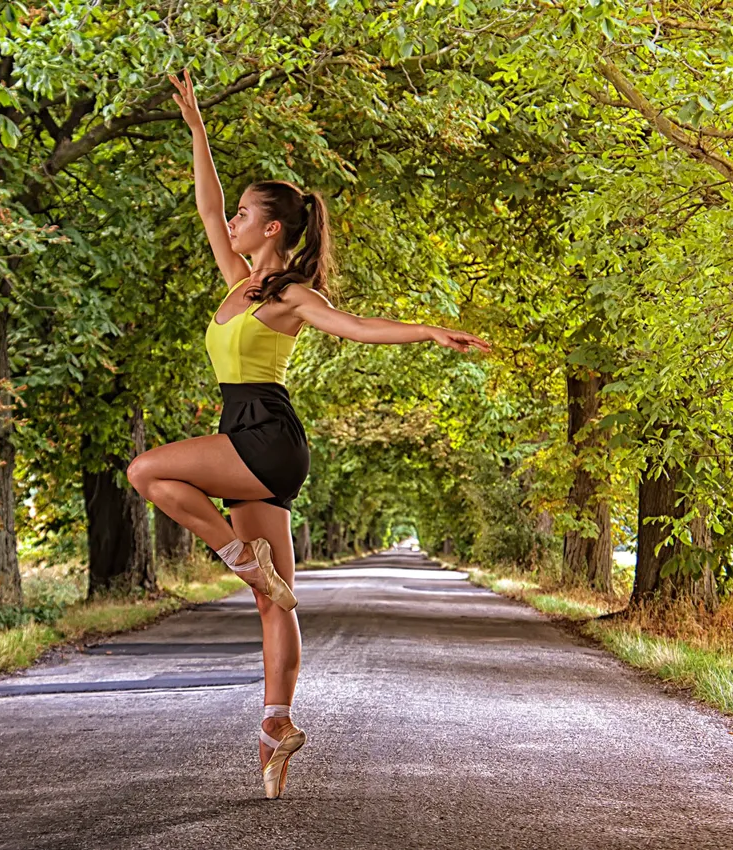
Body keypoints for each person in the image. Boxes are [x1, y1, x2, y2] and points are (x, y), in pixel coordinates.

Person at [125, 68, 490, 800]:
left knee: (145, 473)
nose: (229, 227)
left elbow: (353, 329)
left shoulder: (292, 294)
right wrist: (198, 131)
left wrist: (426, 331)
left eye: (243, 219)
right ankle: (276, 724)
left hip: (264, 431)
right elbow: (208, 207)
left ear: (273, 230)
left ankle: (238, 557)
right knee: (276, 599)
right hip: (246, 430)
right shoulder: (237, 281)